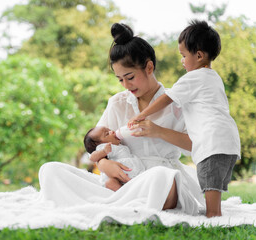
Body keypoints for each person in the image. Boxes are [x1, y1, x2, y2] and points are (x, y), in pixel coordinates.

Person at [38, 22, 205, 215]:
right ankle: (122, 203)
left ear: (149, 67)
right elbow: (96, 144)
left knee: (160, 178)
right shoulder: (117, 102)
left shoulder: (177, 102)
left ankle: (108, 203)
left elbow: (197, 144)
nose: (125, 85)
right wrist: (103, 164)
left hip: (158, 179)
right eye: (120, 79)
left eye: (130, 77)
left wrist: (158, 131)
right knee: (50, 170)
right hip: (119, 182)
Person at [128, 20, 241, 218]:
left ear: (198, 55)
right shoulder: (214, 77)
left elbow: (166, 98)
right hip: (229, 141)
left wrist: (142, 114)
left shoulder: (194, 77)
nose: (181, 61)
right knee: (214, 186)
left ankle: (214, 217)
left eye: (183, 55)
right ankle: (215, 212)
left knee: (210, 184)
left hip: (212, 142)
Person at [84, 126, 145, 191]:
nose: (112, 131)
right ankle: (123, 193)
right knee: (110, 183)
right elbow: (92, 158)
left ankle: (128, 191)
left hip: (130, 174)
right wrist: (103, 151)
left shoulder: (117, 145)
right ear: (99, 145)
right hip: (116, 176)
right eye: (107, 134)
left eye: (109, 130)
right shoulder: (107, 147)